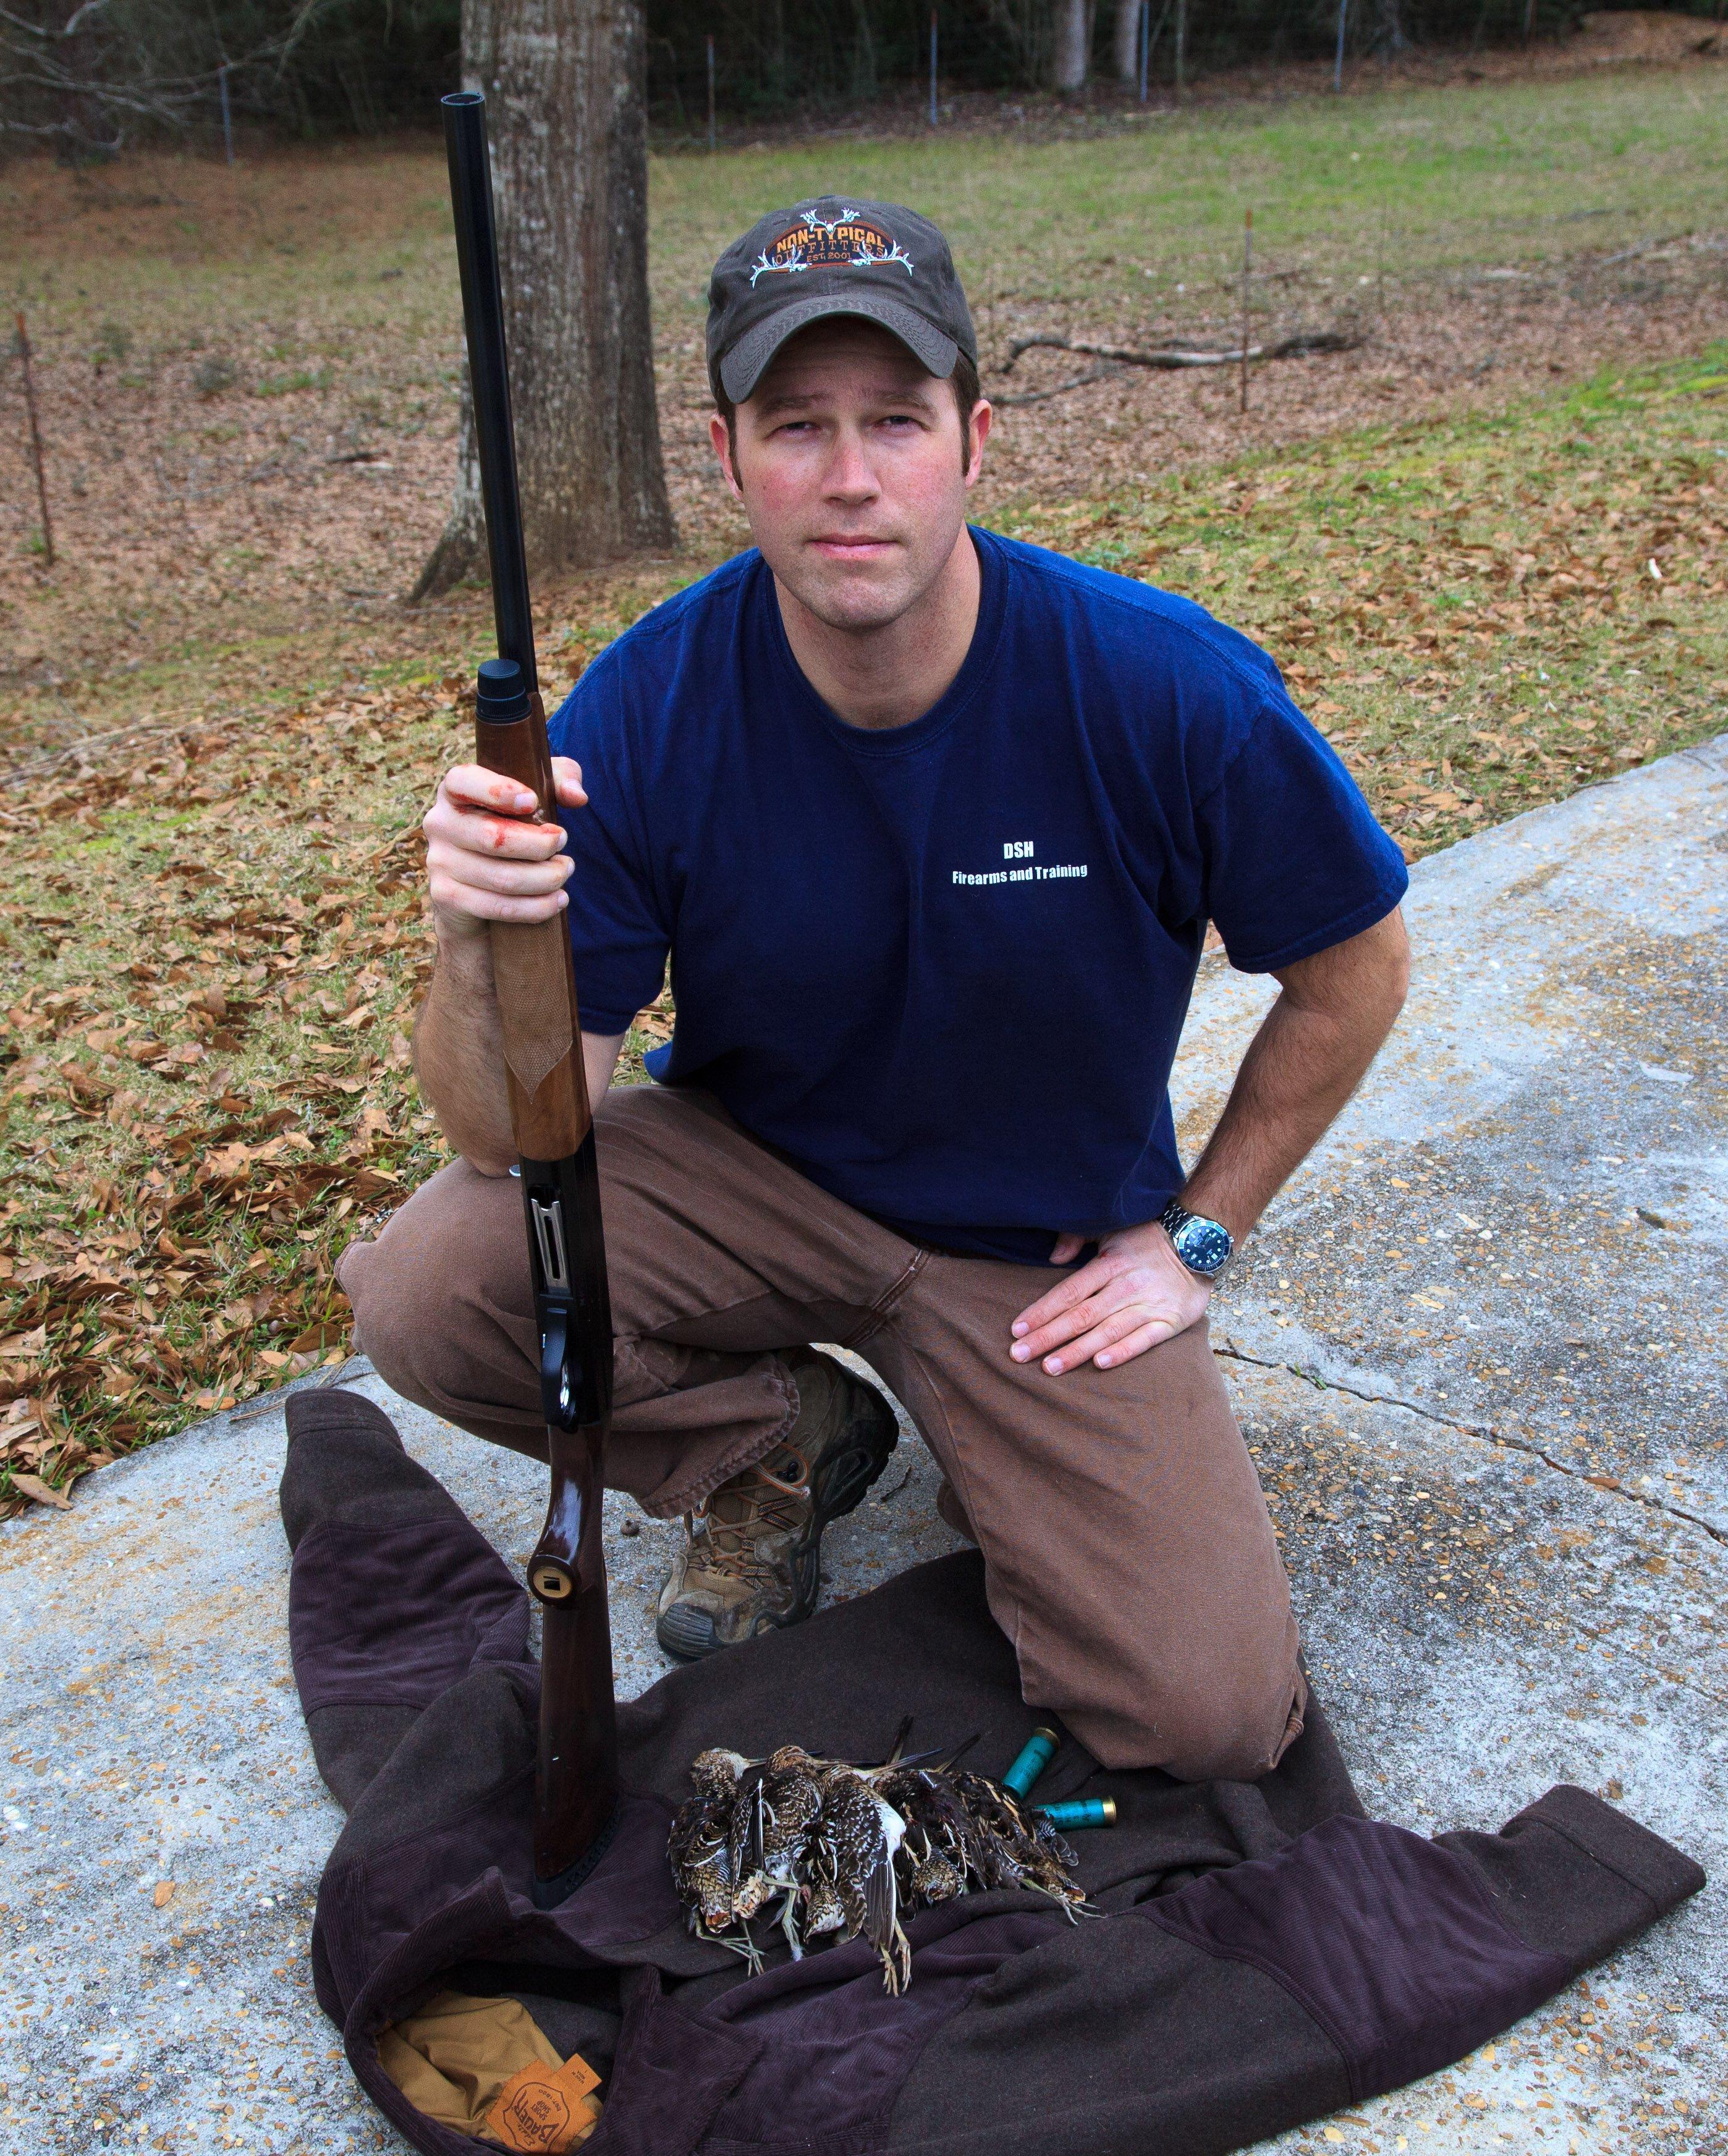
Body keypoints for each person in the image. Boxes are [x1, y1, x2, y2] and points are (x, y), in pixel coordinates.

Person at [339, 197, 1410, 1783]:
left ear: (974, 443)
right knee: (431, 1286)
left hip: (1029, 1256)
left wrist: (1197, 1232)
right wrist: (475, 933)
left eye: (894, 423)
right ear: (727, 459)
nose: (849, 479)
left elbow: (1355, 971)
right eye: (795, 428)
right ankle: (773, 1442)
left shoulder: (1164, 687)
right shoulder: (645, 705)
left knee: (1205, 1718)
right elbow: (515, 1137)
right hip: (757, 1182)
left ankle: (990, 1439)